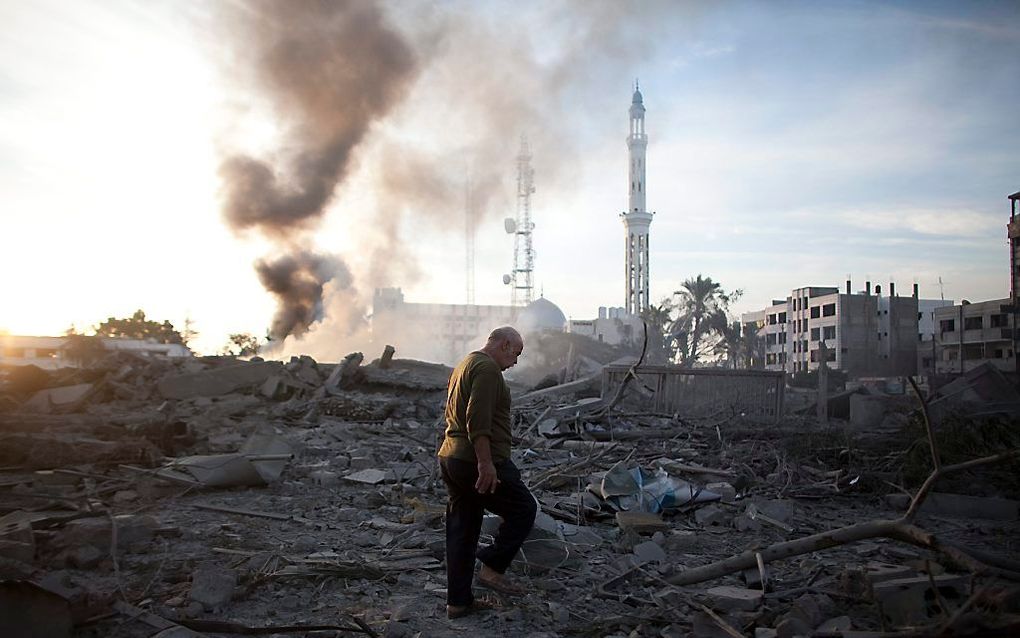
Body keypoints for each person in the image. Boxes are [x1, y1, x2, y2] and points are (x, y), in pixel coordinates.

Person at [438, 326, 537, 619]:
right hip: (475, 460)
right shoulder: (487, 369)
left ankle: (458, 602)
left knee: (463, 530)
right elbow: (476, 418)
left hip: (451, 458)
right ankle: (492, 569)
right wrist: (486, 463)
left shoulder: (465, 364)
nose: (516, 362)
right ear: (505, 345)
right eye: (516, 353)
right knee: (523, 508)